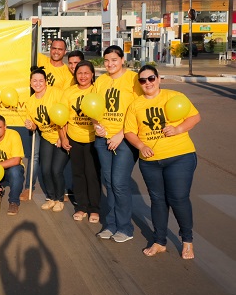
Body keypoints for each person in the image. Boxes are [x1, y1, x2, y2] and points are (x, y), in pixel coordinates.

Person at [124, 65, 201, 260]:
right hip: (150, 161)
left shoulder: (173, 96)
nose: (147, 83)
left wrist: (178, 129)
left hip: (180, 156)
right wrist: (141, 146)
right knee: (157, 200)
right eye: (143, 80)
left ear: (158, 79)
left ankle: (187, 241)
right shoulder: (136, 105)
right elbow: (129, 132)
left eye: (151, 78)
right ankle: (159, 241)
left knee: (177, 198)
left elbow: (195, 117)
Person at [92, 45, 142, 243]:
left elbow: (140, 110)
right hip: (102, 139)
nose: (110, 64)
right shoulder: (101, 81)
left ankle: (125, 228)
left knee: (120, 183)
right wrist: (97, 126)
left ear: (122, 59)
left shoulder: (133, 79)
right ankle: (111, 224)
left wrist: (121, 135)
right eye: (106, 60)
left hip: (124, 139)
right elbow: (92, 107)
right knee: (110, 184)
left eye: (114, 59)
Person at [59, 60, 101, 223]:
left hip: (93, 139)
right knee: (78, 174)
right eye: (79, 73)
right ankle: (82, 207)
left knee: (92, 174)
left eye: (86, 73)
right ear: (75, 75)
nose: (83, 76)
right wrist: (63, 137)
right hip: (74, 138)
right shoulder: (69, 92)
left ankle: (94, 209)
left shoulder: (97, 90)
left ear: (92, 75)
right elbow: (61, 116)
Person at [24, 68, 68, 212]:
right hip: (46, 137)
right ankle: (51, 197)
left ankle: (60, 198)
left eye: (41, 81)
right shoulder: (30, 102)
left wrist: (62, 137)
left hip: (61, 135)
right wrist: (31, 126)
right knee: (45, 170)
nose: (38, 83)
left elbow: (64, 116)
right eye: (34, 81)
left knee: (56, 170)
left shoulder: (56, 93)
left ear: (46, 82)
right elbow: (35, 125)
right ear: (30, 83)